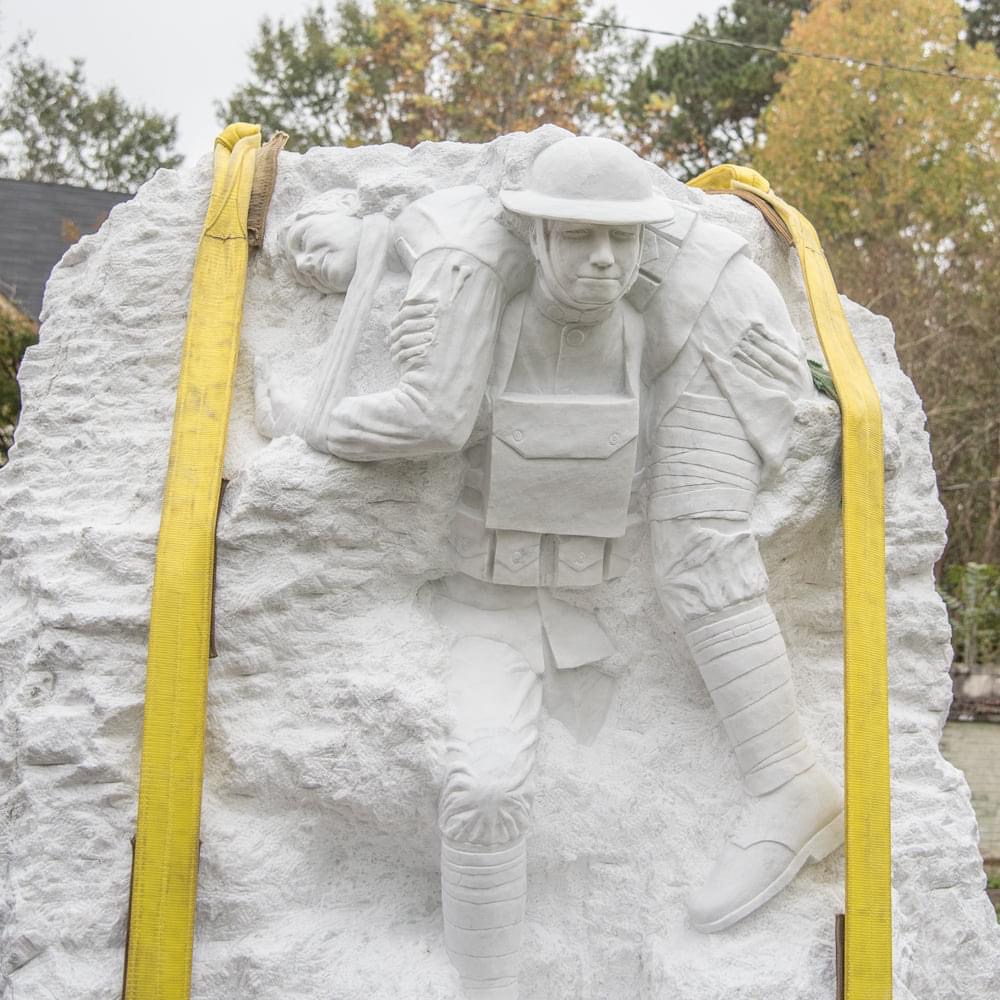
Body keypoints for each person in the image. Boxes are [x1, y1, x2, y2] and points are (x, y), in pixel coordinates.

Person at [270, 136, 844, 999]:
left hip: (722, 322)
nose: (603, 258)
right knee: (487, 781)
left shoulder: (455, 252)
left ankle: (792, 781)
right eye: (577, 236)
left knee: (700, 549)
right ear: (534, 234)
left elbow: (430, 414)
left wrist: (309, 419)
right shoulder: (448, 256)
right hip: (499, 595)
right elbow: (441, 403)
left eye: (619, 237)